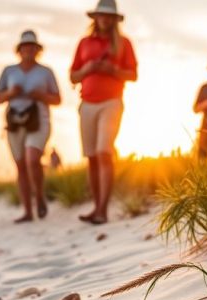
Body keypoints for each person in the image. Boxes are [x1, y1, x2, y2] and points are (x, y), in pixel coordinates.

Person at [69, 0, 138, 225]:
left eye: (109, 16)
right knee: (91, 157)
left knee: (103, 152)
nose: (105, 20)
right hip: (87, 103)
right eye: (102, 16)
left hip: (112, 102)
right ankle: (96, 206)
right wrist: (87, 69)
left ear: (115, 19)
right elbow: (73, 76)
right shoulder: (84, 42)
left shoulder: (124, 43)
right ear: (96, 17)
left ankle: (103, 210)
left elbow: (133, 74)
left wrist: (114, 70)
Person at [0, 30, 61, 223]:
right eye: (25, 47)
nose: (29, 50)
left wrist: (40, 95)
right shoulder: (9, 71)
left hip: (38, 119)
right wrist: (10, 93)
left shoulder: (45, 72)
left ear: (37, 49)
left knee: (33, 159)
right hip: (15, 121)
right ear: (20, 49)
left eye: (32, 47)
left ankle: (39, 195)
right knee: (21, 165)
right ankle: (27, 211)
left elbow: (57, 98)